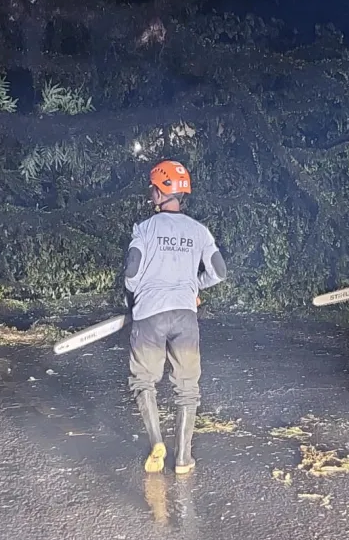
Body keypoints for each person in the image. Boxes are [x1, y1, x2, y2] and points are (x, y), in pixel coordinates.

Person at [124, 160, 227, 474]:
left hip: (149, 315)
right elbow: (219, 273)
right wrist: (194, 285)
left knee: (144, 381)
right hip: (185, 315)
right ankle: (183, 458)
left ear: (159, 192)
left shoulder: (144, 229)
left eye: (152, 189)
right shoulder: (199, 231)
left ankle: (157, 441)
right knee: (187, 387)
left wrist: (134, 296)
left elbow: (131, 272)